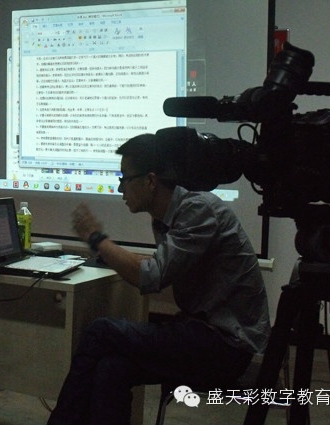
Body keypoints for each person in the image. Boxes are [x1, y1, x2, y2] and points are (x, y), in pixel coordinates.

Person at [47, 130, 271, 425]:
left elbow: (150, 277)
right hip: (200, 333)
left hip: (225, 346)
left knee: (100, 331)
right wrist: (110, 255)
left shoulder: (197, 209)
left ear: (151, 181)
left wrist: (96, 239)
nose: (120, 188)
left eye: (125, 179)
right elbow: (163, 265)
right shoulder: (167, 214)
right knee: (112, 368)